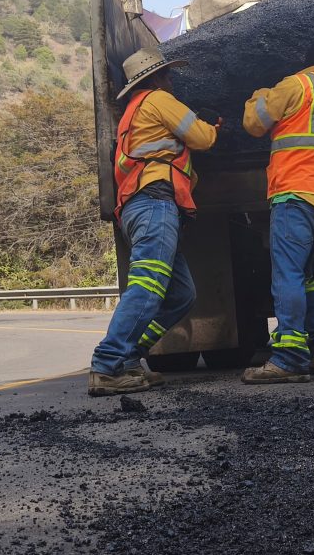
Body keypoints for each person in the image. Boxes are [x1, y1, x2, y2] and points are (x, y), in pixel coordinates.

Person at [88, 48, 220, 397]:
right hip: (154, 203)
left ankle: (129, 357)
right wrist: (212, 126)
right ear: (156, 78)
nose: (171, 80)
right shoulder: (159, 100)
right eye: (167, 75)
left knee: (182, 294)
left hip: (140, 206)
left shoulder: (132, 113)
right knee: (147, 286)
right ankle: (107, 365)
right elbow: (202, 138)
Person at [239, 34, 314, 384]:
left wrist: (258, 95)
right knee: (303, 276)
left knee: (287, 274)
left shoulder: (298, 84)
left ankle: (289, 357)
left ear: (309, 60)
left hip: (297, 193)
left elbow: (254, 123)